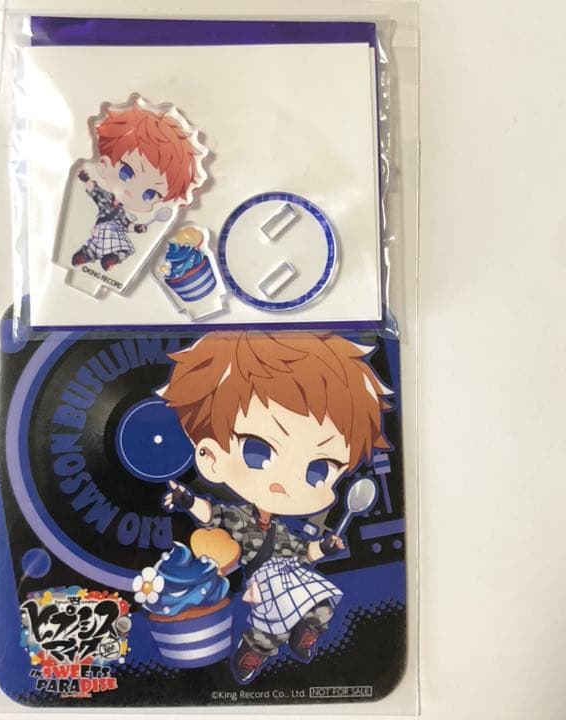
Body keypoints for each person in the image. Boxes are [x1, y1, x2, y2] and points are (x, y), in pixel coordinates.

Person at [159, 331, 392, 683]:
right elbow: (213, 515)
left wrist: (327, 546)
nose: (285, 482)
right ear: (210, 456)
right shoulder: (238, 519)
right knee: (271, 625)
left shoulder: (283, 532)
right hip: (264, 580)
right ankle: (253, 652)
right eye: (258, 451)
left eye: (318, 470)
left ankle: (306, 634)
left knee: (321, 601)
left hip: (290, 572)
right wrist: (187, 500)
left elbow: (304, 552)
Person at [71, 99, 206, 271]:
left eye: (149, 194)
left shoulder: (123, 214)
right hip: (101, 230)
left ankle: (111, 258)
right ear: (104, 164)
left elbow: (127, 225)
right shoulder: (106, 199)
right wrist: (85, 179)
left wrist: (137, 228)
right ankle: (85, 255)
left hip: (115, 234)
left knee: (125, 249)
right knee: (94, 246)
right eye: (126, 172)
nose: (133, 191)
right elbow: (94, 191)